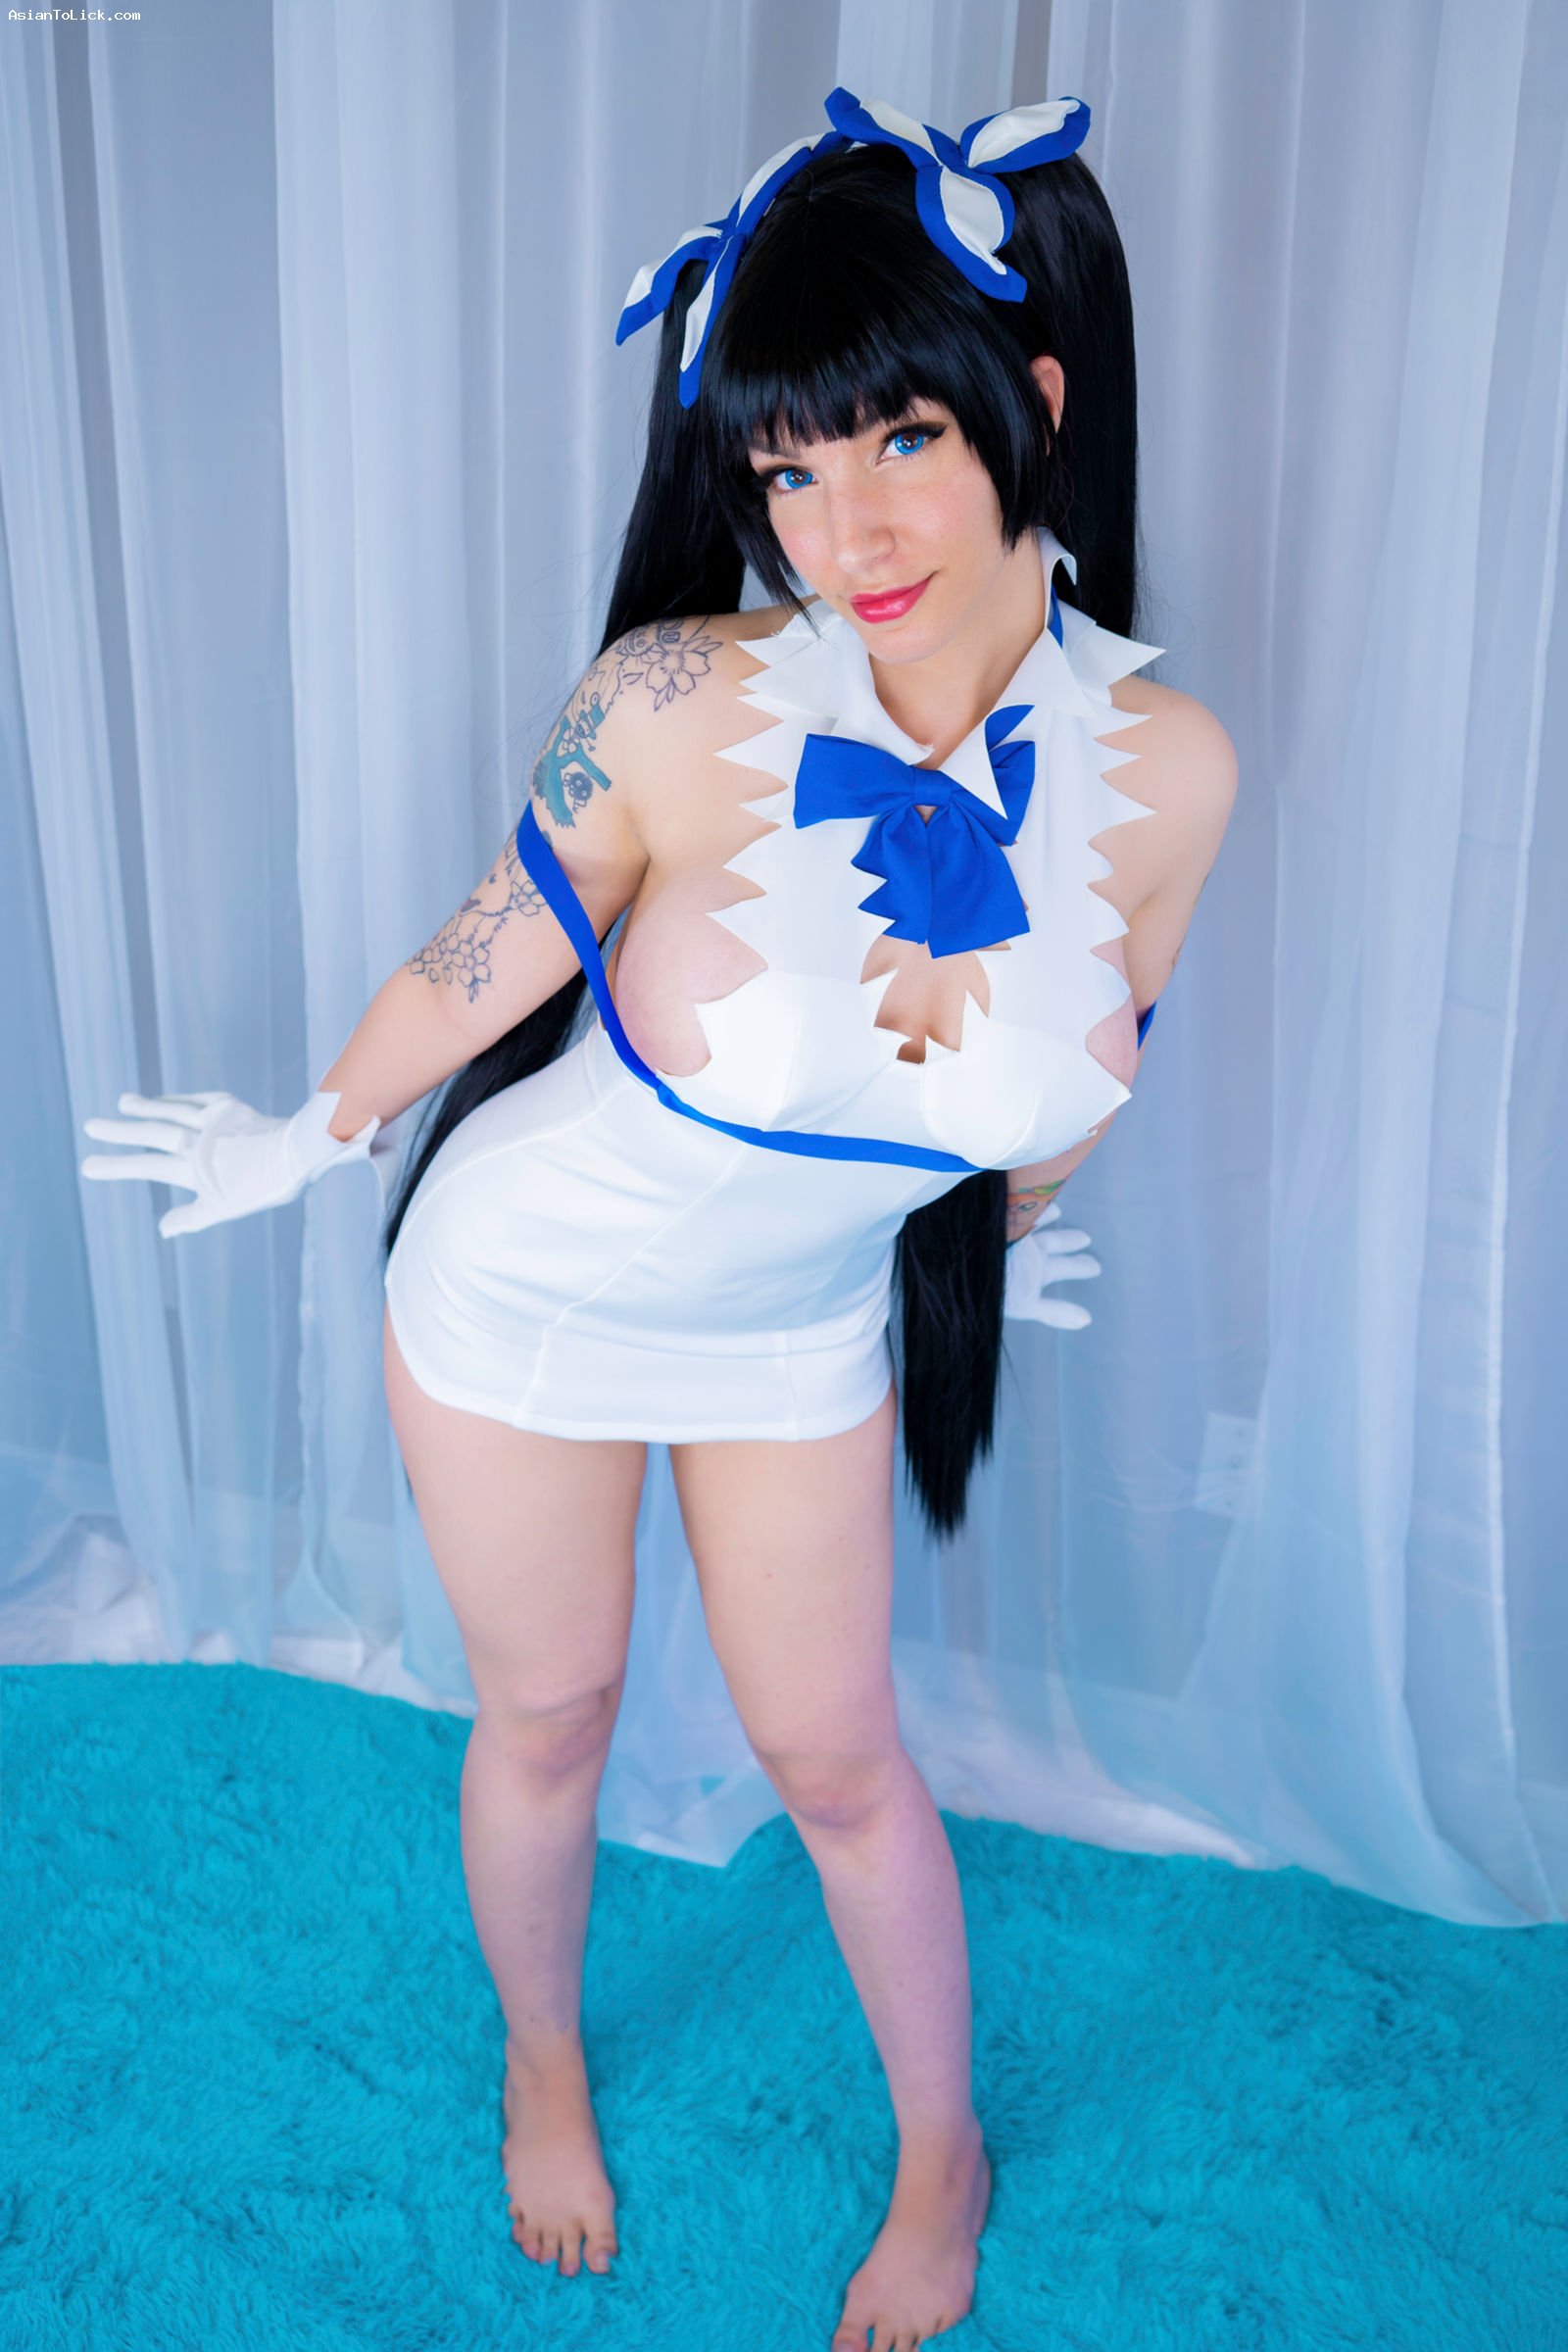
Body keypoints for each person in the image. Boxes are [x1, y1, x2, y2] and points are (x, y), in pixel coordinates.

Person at [81, 88, 1236, 2352]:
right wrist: (310, 1133)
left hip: (796, 1331)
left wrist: (992, 1234)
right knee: (552, 1717)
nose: (839, 527)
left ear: (1033, 399)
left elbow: (1089, 1050)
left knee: (839, 1760)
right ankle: (541, 2057)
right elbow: (479, 956)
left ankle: (940, 2151)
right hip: (524, 1295)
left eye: (898, 439)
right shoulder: (678, 702)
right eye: (783, 469)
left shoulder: (1167, 767)